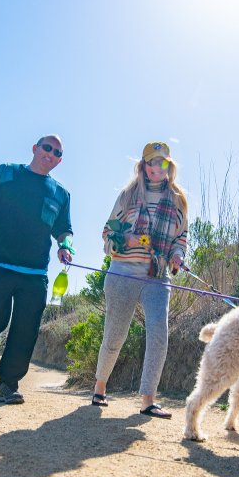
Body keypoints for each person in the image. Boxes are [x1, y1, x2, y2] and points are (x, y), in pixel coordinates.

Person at [0, 135, 74, 404]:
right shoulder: (4, 174)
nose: (51, 154)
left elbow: (64, 230)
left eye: (57, 153)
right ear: (35, 148)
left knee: (25, 330)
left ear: (60, 160)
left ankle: (8, 385)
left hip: (35, 273)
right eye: (46, 148)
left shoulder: (61, 194)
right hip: (0, 265)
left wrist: (66, 246)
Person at [91, 141, 188, 418]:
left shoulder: (179, 200)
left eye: (163, 162)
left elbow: (181, 239)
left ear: (170, 165)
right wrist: (126, 239)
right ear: (143, 167)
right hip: (122, 274)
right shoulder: (128, 196)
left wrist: (177, 256)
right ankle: (100, 387)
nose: (158, 168)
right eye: (152, 162)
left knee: (159, 333)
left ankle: (148, 400)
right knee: (115, 334)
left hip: (157, 277)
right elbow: (108, 233)